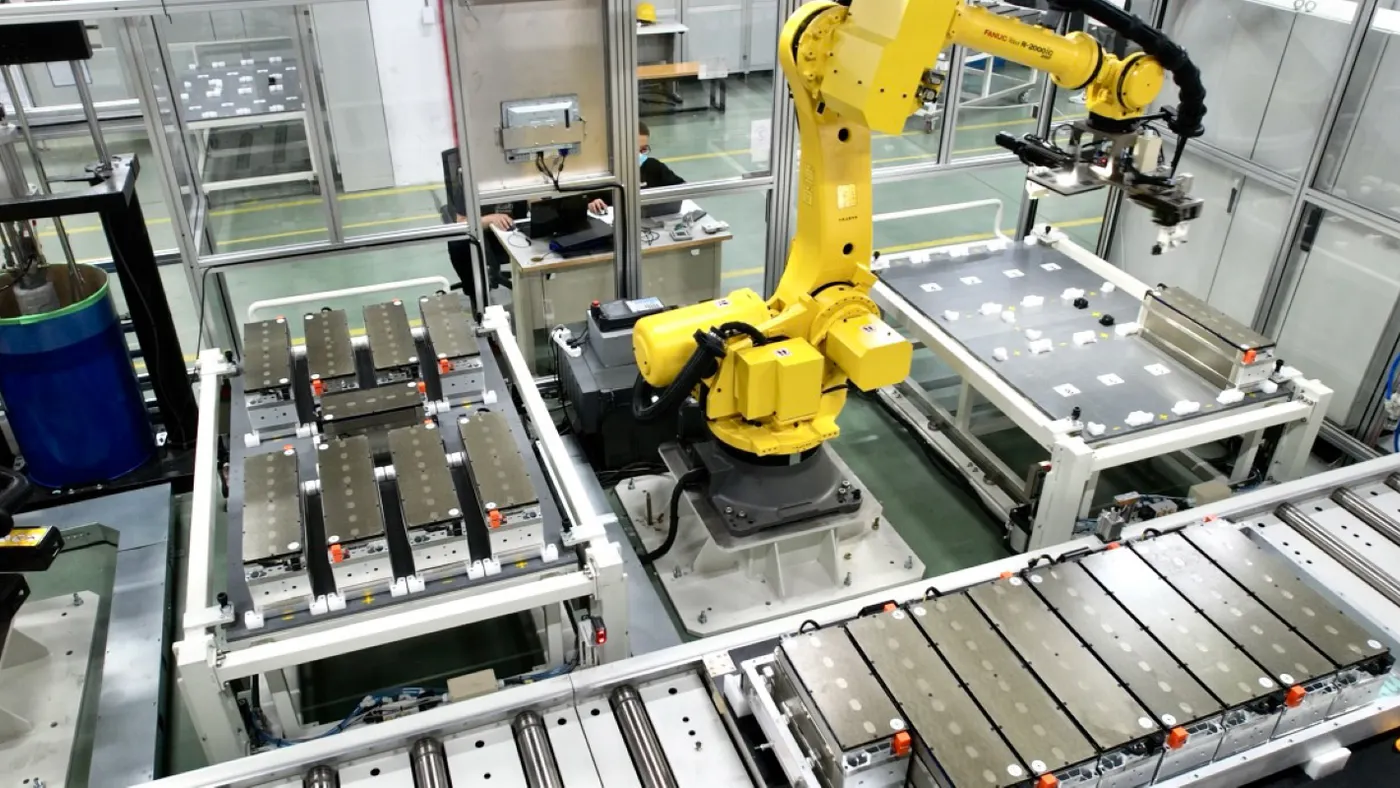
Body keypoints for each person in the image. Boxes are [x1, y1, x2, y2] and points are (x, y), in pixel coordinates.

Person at [588, 121, 684, 215]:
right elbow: (583, 200)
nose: (639, 155)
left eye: (643, 149)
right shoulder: (603, 173)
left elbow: (681, 187)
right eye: (633, 149)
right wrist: (591, 204)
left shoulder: (653, 166)